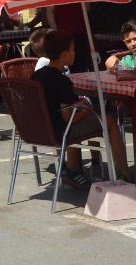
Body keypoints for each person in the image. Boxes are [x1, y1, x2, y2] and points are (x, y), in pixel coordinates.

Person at [32, 30, 114, 190]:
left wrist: (80, 106)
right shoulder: (62, 81)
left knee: (84, 118)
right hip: (60, 132)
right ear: (64, 54)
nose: (75, 53)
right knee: (109, 120)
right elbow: (68, 117)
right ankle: (122, 172)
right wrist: (86, 109)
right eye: (73, 49)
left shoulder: (36, 76)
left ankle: (74, 169)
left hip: (38, 130)